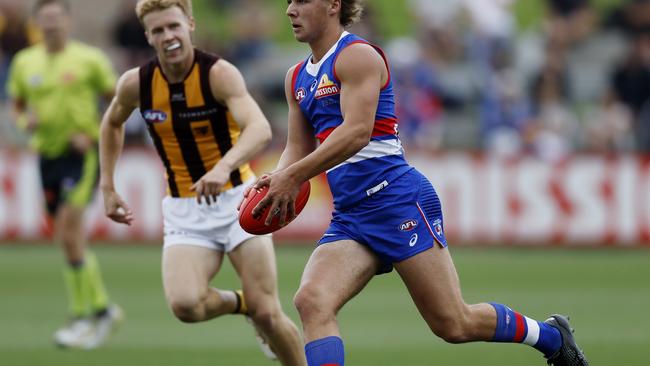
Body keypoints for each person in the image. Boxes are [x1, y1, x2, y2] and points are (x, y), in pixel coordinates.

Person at [249, 1, 589, 365]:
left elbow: (357, 132)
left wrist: (294, 174)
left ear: (333, 4)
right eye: (288, 2)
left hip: (395, 200)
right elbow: (298, 147)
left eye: (301, 0)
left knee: (453, 324)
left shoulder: (357, 56)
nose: (290, 10)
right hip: (351, 214)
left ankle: (551, 336)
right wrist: (278, 179)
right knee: (312, 301)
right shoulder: (296, 77)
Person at [98, 1, 305, 365]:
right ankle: (244, 304)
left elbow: (259, 129)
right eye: (158, 30)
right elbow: (112, 122)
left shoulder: (217, 74)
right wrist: (108, 186)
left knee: (270, 314)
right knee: (185, 306)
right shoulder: (137, 83)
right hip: (184, 207)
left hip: (239, 200)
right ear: (148, 36)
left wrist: (223, 168)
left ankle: (263, 318)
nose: (168, 36)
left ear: (190, 24)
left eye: (174, 26)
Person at [5, 0, 122, 349]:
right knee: (66, 238)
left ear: (68, 22)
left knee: (70, 233)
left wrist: (92, 133)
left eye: (57, 18)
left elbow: (117, 102)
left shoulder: (89, 60)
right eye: (45, 19)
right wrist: (27, 123)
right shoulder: (25, 62)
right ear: (37, 23)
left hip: (80, 156)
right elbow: (18, 105)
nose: (51, 25)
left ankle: (86, 315)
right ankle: (101, 308)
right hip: (47, 157)